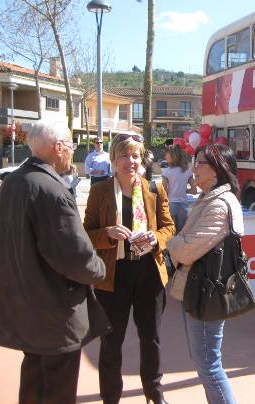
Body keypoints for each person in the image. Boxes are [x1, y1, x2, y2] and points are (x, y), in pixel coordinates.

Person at [0, 120, 110, 404]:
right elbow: (75, 256)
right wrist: (100, 268)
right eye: (70, 146)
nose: (71, 152)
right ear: (58, 148)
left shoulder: (11, 183)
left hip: (24, 307)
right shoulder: (50, 190)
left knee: (33, 380)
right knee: (58, 388)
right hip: (54, 312)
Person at [83, 133, 175, 404]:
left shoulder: (154, 189)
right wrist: (107, 233)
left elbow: (169, 228)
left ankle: (154, 395)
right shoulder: (100, 191)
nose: (130, 161)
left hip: (148, 273)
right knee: (111, 343)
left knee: (152, 339)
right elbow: (86, 232)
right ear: (112, 159)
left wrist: (156, 239)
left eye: (135, 155)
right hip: (114, 276)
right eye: (124, 155)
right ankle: (110, 397)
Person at [166, 144, 243, 404]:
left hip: (206, 292)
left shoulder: (218, 205)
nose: (193, 169)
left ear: (218, 169)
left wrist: (171, 243)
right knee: (205, 363)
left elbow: (186, 251)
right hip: (200, 290)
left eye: (199, 163)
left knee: (209, 365)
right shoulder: (209, 199)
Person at [162, 144, 197, 233]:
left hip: (170, 204)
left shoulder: (166, 172)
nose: (165, 156)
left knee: (170, 231)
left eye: (166, 154)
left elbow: (163, 192)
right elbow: (194, 191)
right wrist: (184, 190)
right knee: (181, 232)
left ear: (172, 156)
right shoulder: (187, 172)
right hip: (183, 205)